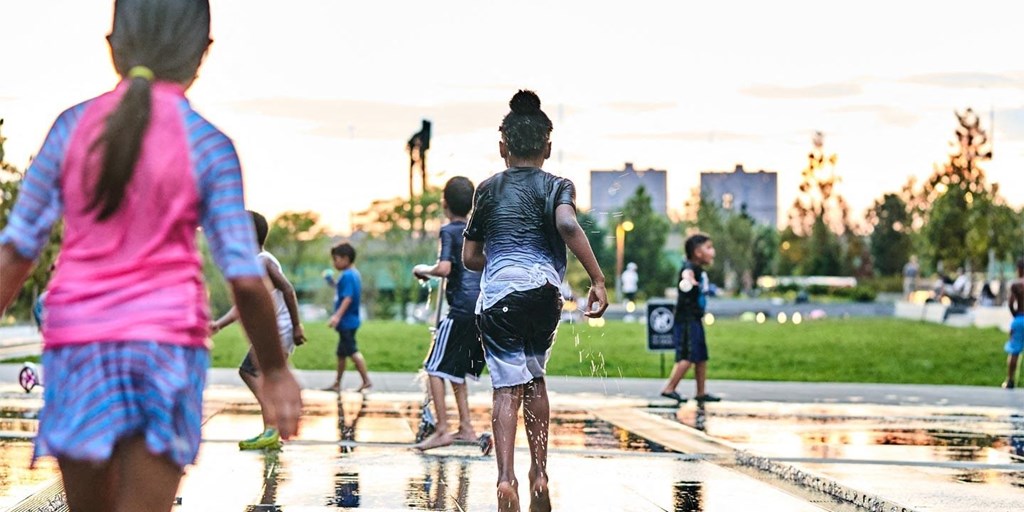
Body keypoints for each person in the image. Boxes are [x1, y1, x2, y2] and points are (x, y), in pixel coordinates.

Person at [0, 2, 302, 510]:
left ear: (113, 45)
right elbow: (245, 277)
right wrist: (274, 370)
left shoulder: (71, 127)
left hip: (79, 345)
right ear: (202, 54)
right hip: (165, 351)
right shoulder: (209, 145)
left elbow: (16, 251)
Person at [463, 89, 608, 512]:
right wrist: (596, 278)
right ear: (547, 147)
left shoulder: (487, 190)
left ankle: (506, 479)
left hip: (500, 299)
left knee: (506, 388)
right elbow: (565, 222)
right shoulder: (558, 185)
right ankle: (539, 471)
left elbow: (470, 258)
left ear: (503, 146)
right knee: (535, 378)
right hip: (545, 296)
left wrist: (501, 259)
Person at [210, 211, 307, 450]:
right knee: (252, 373)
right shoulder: (257, 263)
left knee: (250, 372)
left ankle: (272, 426)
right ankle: (269, 428)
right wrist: (218, 325)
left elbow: (288, 289)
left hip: (281, 329)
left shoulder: (264, 260)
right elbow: (243, 305)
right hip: (279, 329)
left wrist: (296, 326)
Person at [411, 176, 487, 451]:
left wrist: (423, 270)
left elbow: (444, 269)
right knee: (455, 372)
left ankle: (442, 429)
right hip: (480, 310)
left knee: (433, 367)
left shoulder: (449, 230)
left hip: (461, 310)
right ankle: (466, 428)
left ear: (444, 204)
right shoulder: (478, 228)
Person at [660, 233, 721, 404]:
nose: (713, 251)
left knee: (701, 356)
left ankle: (701, 392)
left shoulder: (699, 269)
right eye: (708, 247)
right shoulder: (689, 268)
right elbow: (686, 274)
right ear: (697, 252)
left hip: (695, 318)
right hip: (686, 319)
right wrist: (688, 280)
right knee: (688, 356)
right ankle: (669, 388)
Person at [324, 242, 372, 392]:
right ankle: (337, 383)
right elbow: (341, 288)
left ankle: (366, 380)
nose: (334, 263)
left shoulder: (348, 275)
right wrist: (331, 281)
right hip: (350, 321)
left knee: (352, 351)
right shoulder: (352, 274)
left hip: (347, 321)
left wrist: (337, 316)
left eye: (336, 259)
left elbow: (348, 298)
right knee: (341, 354)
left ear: (345, 258)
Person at [1002, 258, 1023, 389]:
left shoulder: (1016, 285)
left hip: (1020, 318)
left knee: (1014, 351)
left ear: (1019, 269)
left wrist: (1017, 317)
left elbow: (1010, 304)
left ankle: (1010, 381)